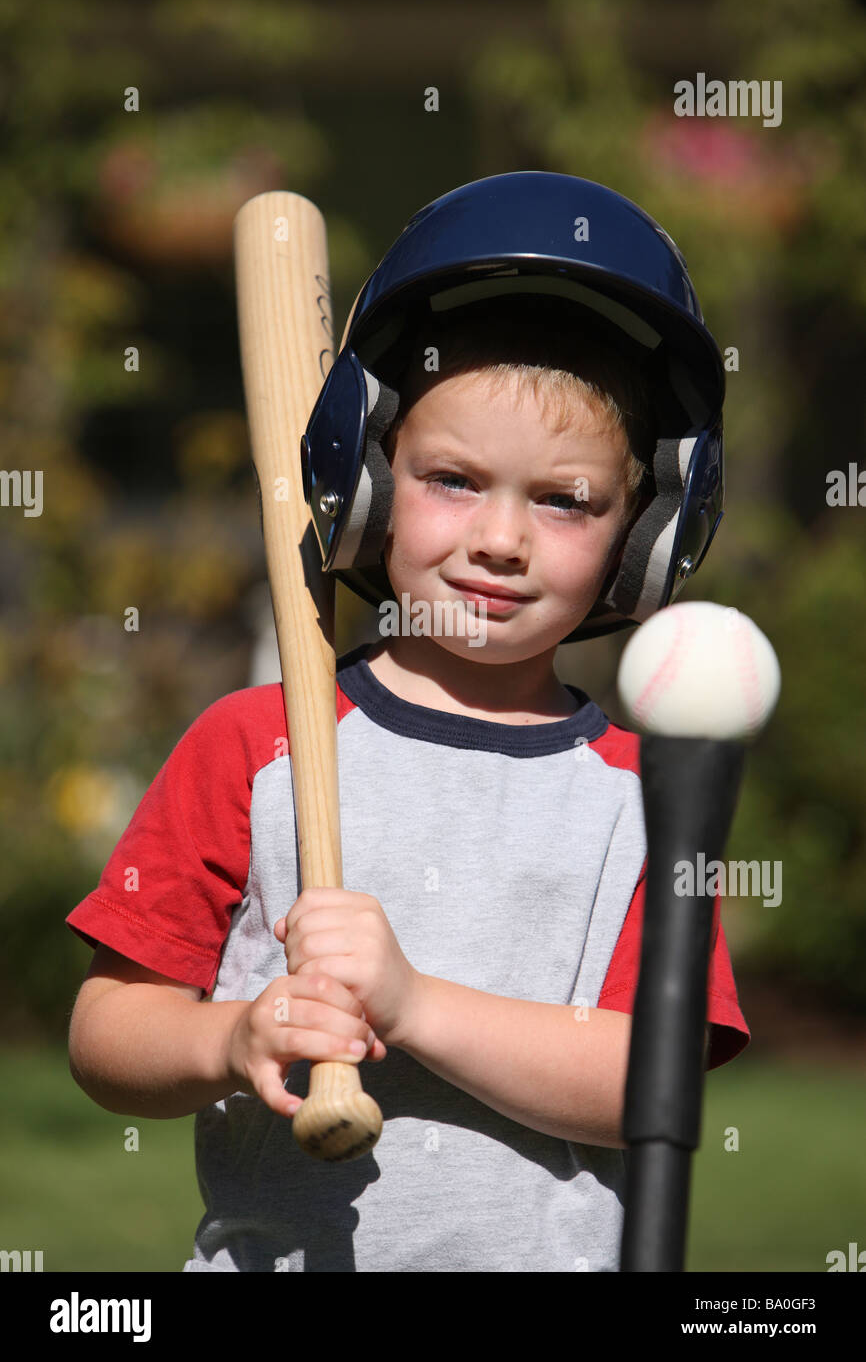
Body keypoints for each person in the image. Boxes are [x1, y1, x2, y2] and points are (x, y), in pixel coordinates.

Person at [66, 172, 749, 1272]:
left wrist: (412, 1002)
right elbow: (107, 1039)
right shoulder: (256, 745)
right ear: (369, 481)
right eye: (453, 480)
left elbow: (649, 1088)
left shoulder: (641, 797)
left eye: (564, 499)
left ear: (647, 535)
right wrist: (228, 1034)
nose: (500, 539)